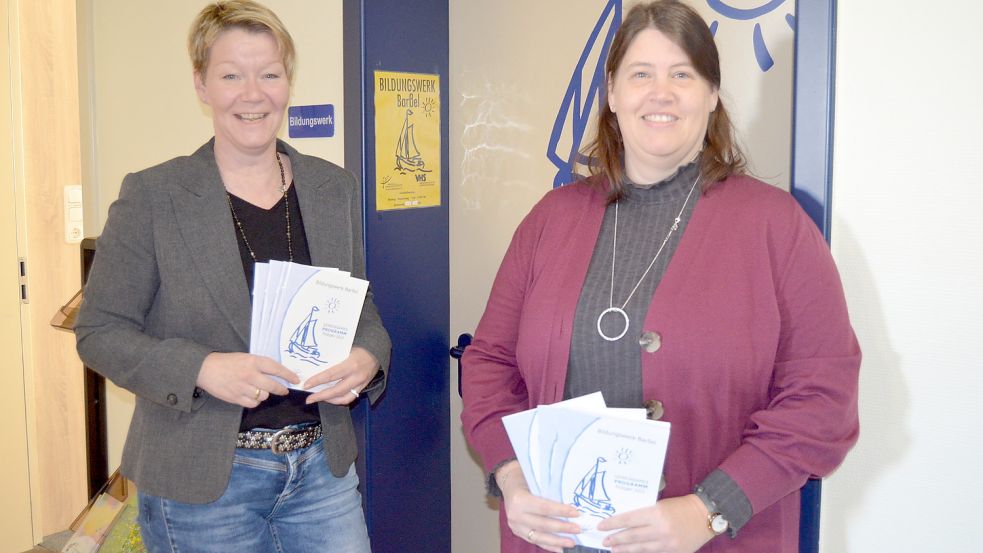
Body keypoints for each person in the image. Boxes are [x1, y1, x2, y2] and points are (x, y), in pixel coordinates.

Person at [460, 1, 860, 552]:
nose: (661, 93)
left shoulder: (775, 225)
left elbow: (822, 396)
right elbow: (490, 362)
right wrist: (511, 473)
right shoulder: (550, 220)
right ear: (612, 93)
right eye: (641, 74)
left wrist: (709, 510)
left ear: (712, 94)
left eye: (682, 75)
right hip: (560, 537)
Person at [74, 2, 390, 552]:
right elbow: (99, 331)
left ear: (287, 82)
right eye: (231, 76)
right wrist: (201, 368)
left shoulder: (332, 188)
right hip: (202, 486)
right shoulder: (154, 196)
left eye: (269, 74)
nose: (253, 94)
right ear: (201, 85)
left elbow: (361, 312)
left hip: (321, 469)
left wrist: (368, 357)